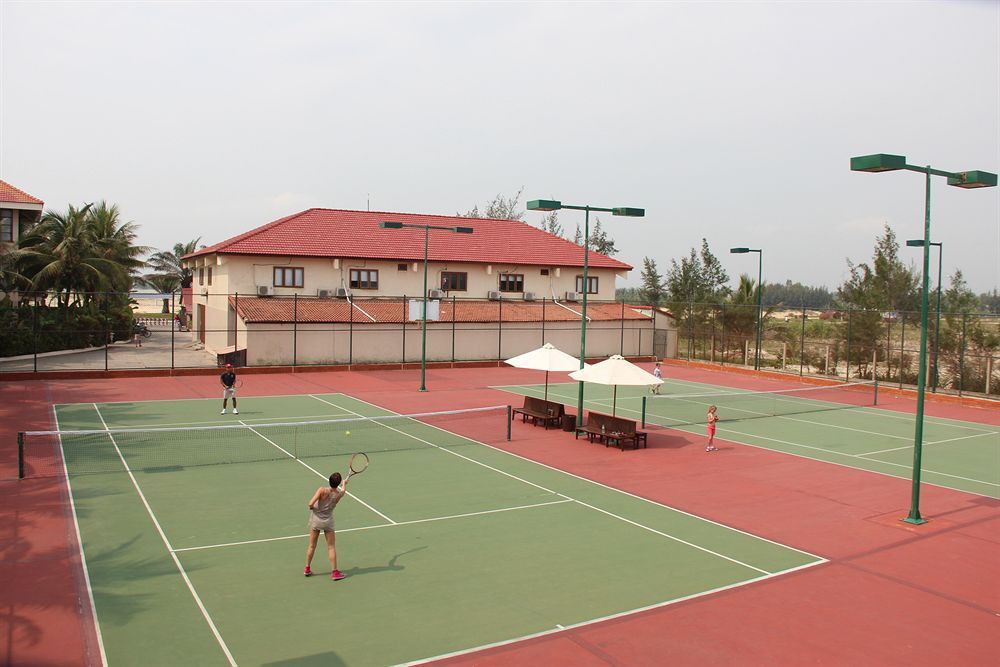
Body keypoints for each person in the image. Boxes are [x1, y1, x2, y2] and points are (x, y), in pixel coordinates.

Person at [304, 472, 349, 580]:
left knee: (311, 545)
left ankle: (307, 569)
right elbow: (343, 490)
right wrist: (344, 483)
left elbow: (310, 504)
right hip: (328, 522)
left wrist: (313, 508)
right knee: (331, 547)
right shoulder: (340, 494)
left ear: (329, 480)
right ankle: (334, 573)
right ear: (338, 483)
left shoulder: (321, 490)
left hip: (316, 521)